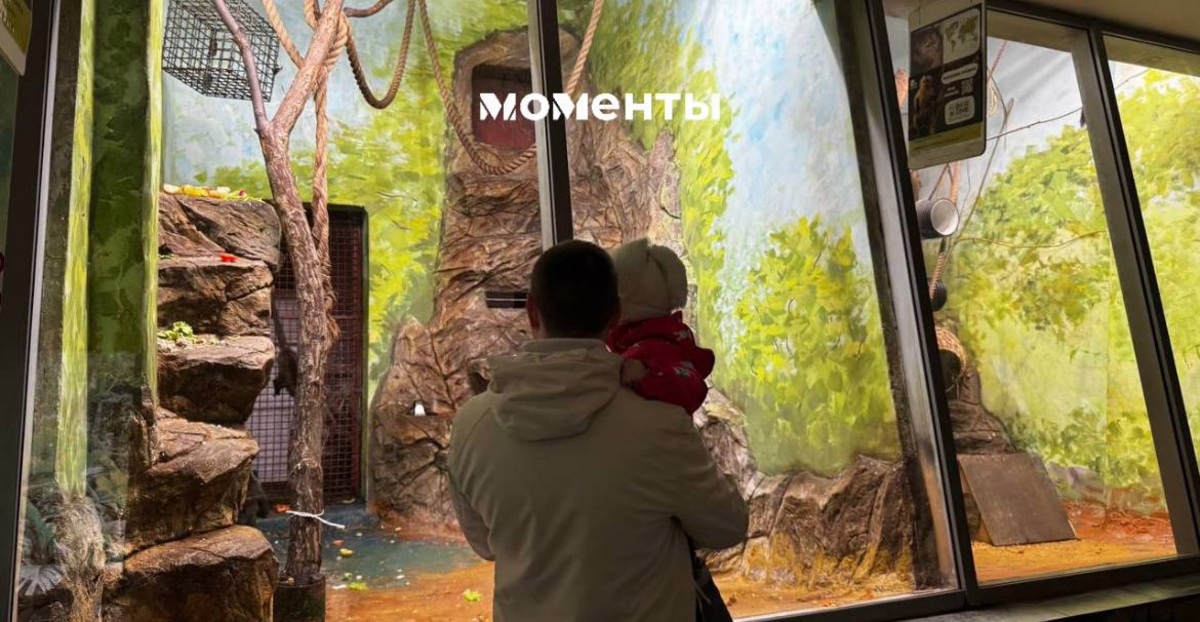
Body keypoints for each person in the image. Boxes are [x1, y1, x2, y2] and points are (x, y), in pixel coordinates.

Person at [449, 240, 748, 622]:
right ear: (615, 315)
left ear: (532, 310)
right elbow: (727, 526)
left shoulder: (472, 426)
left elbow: (485, 544)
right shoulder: (658, 425)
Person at [608, 238, 729, 621]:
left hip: (661, 487)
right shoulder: (664, 341)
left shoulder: (652, 351)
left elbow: (688, 387)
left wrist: (644, 375)